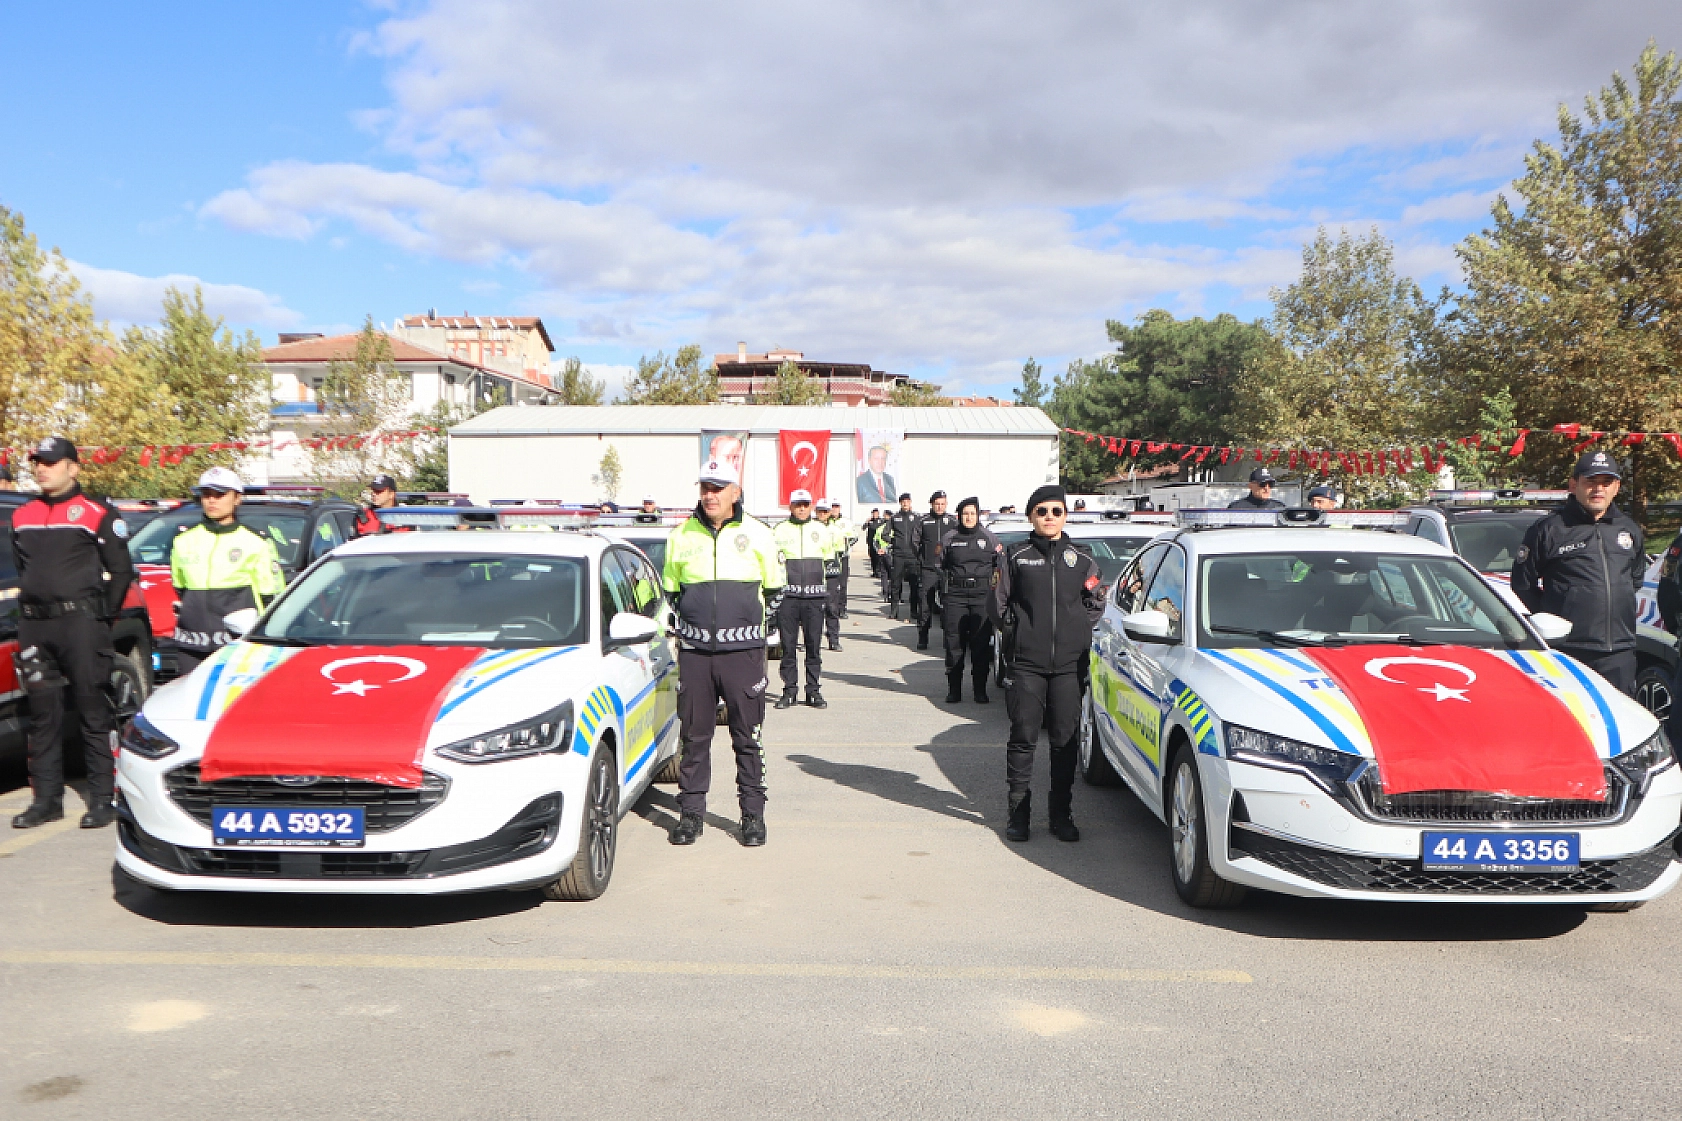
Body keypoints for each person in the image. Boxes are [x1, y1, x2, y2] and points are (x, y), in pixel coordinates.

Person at [10, 437, 136, 830]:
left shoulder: (96, 512)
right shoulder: (22, 514)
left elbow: (120, 571)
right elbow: (24, 567)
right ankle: (47, 800)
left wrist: (102, 618)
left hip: (80, 624)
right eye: (37, 463)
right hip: (35, 624)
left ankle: (102, 798)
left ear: (73, 467)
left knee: (92, 709)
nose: (42, 469)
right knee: (42, 716)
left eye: (50, 462)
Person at [661, 458, 785, 847]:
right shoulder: (680, 535)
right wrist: (695, 630)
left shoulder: (760, 534)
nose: (709, 495)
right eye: (704, 488)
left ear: (736, 491)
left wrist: (748, 632)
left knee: (747, 737)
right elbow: (671, 592)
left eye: (718, 488)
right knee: (694, 740)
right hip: (696, 655)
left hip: (743, 656)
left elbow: (775, 592)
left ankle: (752, 816)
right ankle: (691, 815)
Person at [993, 484, 1103, 843]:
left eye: (1056, 511)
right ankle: (1018, 813)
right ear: (1031, 516)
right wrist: (1018, 631)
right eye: (1042, 511)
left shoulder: (1082, 559)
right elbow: (998, 604)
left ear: (1065, 516)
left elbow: (1095, 601)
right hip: (1026, 664)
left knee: (1064, 740)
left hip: (1069, 667)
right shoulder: (1015, 556)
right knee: (1023, 737)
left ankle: (1061, 814)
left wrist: (1078, 630)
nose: (1049, 517)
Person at [1512, 449, 1645, 694]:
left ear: (1616, 487)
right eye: (1590, 482)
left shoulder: (1628, 529)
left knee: (1621, 724)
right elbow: (1522, 583)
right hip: (1569, 650)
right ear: (1574, 485)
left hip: (1619, 651)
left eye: (1606, 483)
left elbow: (1634, 579)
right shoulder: (1550, 529)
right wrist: (1552, 618)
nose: (1598, 489)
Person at [169, 468, 287, 676]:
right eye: (206, 494)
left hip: (237, 644)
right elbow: (180, 587)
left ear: (237, 499)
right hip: (192, 643)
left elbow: (272, 596)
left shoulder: (256, 542)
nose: (212, 501)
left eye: (220, 494)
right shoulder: (183, 541)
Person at [939, 496, 1002, 704]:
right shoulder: (949, 538)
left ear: (978, 515)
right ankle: (954, 690)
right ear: (959, 516)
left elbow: (998, 565)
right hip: (955, 596)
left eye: (972, 513)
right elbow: (939, 563)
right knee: (954, 643)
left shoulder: (989, 538)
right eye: (965, 514)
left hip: (981, 597)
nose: (968, 517)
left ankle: (980, 691)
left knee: (980, 645)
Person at [771, 490, 830, 711]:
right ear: (791, 507)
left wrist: (829, 596)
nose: (802, 508)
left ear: (811, 506)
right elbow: (773, 564)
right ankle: (789, 691)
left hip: (814, 598)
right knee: (788, 647)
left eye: (806, 504)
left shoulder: (821, 530)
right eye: (798, 504)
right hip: (789, 598)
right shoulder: (779, 531)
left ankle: (813, 690)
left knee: (813, 646)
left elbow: (830, 561)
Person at [916, 491, 958, 651]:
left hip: (947, 570)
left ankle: (948, 639)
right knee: (925, 604)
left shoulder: (953, 522)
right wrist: (923, 559)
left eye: (942, 504)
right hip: (929, 569)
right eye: (937, 504)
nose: (940, 507)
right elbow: (915, 542)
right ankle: (922, 636)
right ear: (932, 504)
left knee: (948, 605)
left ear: (946, 504)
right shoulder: (923, 521)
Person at [818, 499, 856, 647]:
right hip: (814, 573)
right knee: (813, 611)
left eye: (825, 511)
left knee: (831, 607)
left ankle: (833, 639)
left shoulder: (836, 530)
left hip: (832, 572)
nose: (823, 514)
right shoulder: (811, 528)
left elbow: (841, 552)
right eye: (820, 511)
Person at [879, 493, 922, 622]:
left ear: (910, 503)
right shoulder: (895, 518)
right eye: (903, 501)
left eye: (907, 501)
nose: (905, 504)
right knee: (895, 584)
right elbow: (884, 534)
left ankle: (914, 611)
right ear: (900, 503)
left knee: (914, 584)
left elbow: (922, 533)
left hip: (913, 556)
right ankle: (894, 611)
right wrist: (894, 541)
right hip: (898, 555)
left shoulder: (916, 518)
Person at [863, 508, 885, 578]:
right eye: (873, 513)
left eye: (876, 513)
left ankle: (878, 572)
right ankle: (874, 571)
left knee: (878, 558)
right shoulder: (870, 521)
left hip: (878, 543)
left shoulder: (881, 521)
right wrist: (866, 522)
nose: (875, 515)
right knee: (872, 557)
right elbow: (863, 528)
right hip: (870, 542)